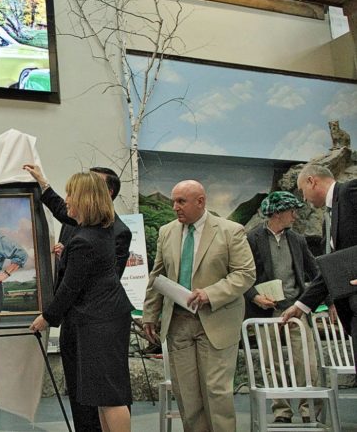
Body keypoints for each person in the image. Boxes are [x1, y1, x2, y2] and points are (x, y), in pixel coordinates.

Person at [24, 163, 131, 431]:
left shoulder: (85, 239)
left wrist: (45, 317)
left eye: (71, 194)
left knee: (109, 397)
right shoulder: (101, 227)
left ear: (85, 199)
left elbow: (71, 287)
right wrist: (42, 183)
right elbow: (62, 211)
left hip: (99, 322)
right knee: (100, 394)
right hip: (102, 318)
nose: (67, 199)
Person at [142, 180, 255, 432]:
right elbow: (157, 276)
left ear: (200, 201)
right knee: (188, 396)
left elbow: (245, 274)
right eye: (173, 201)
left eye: (181, 201)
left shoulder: (231, 231)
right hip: (178, 324)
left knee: (216, 393)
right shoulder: (166, 232)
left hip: (216, 322)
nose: (175, 207)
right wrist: (150, 313)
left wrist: (209, 294)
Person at [244, 191, 321, 423]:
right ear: (277, 213)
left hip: (296, 309)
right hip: (266, 311)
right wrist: (255, 296)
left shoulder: (297, 239)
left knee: (307, 363)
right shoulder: (252, 238)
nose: (295, 216)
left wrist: (323, 301)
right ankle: (281, 412)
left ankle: (309, 412)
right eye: (291, 211)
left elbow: (315, 271)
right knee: (272, 363)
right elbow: (242, 275)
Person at [281, 164, 357, 374]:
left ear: (311, 181)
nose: (304, 199)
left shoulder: (350, 191)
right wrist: (302, 305)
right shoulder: (329, 220)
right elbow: (330, 269)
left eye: (302, 192)